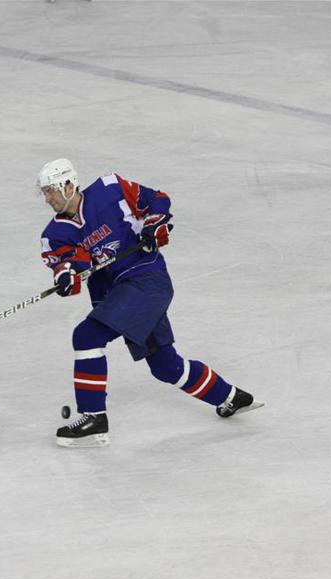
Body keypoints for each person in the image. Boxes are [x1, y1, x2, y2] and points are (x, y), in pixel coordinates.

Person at [37, 158, 264, 447]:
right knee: (165, 365)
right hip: (118, 293)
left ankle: (94, 419)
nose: (48, 198)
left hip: (146, 280)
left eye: (51, 190)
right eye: (44, 192)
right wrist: (67, 275)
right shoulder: (54, 235)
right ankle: (232, 397)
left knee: (87, 336)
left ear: (69, 185)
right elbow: (71, 265)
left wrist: (155, 225)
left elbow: (156, 200)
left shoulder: (110, 188)